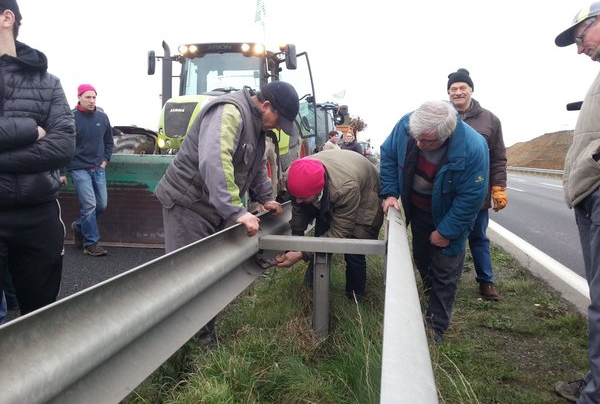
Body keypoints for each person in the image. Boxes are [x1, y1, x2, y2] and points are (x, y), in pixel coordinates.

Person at [155, 81, 297, 337]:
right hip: (189, 203)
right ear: (266, 106)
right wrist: (236, 211)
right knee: (190, 277)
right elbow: (215, 162)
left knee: (210, 275)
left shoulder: (257, 127)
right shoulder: (229, 112)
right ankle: (189, 346)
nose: (278, 126)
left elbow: (253, 165)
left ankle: (204, 336)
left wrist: (265, 198)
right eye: (279, 120)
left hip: (212, 206)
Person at [379, 100, 488, 343]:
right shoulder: (407, 125)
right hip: (419, 210)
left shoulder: (473, 148)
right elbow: (387, 154)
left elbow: (472, 197)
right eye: (416, 137)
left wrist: (447, 231)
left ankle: (435, 328)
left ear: (446, 135)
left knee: (446, 269)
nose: (418, 144)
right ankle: (430, 294)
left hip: (450, 215)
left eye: (427, 141)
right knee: (422, 257)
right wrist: (389, 193)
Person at [0, 0, 76, 314]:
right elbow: (47, 139)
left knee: (39, 317)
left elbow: (62, 146)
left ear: (6, 17)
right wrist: (31, 131)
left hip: (38, 216)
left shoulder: (48, 83)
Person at [546, 1, 600, 404]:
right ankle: (593, 385)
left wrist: (593, 165)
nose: (579, 49)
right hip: (589, 193)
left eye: (580, 37)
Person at [275, 149, 384, 301]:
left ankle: (354, 299)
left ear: (318, 190)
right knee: (321, 235)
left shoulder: (345, 188)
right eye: (296, 196)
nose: (298, 200)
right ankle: (310, 291)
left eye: (304, 197)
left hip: (365, 189)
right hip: (338, 179)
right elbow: (298, 208)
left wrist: (302, 254)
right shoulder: (293, 175)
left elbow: (339, 233)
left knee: (354, 249)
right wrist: (296, 241)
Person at [447, 68, 508, 301]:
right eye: (453, 89)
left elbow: (499, 157)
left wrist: (498, 187)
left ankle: (486, 282)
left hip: (476, 193)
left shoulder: (490, 120)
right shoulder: (442, 115)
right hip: (447, 191)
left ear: (471, 90)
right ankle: (446, 280)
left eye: (463, 88)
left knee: (478, 237)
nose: (458, 92)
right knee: (447, 235)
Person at [63, 84, 114, 257]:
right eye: (88, 97)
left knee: (102, 205)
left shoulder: (103, 117)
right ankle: (91, 244)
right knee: (90, 205)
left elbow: (109, 141)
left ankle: (78, 227)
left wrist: (106, 160)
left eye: (94, 97)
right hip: (78, 168)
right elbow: (62, 146)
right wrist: (61, 172)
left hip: (98, 168)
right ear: (79, 97)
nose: (92, 101)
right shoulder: (70, 118)